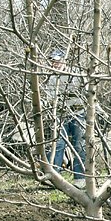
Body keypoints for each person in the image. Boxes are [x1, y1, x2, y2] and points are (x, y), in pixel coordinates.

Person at [44, 49, 86, 189]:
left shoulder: (75, 74)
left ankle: (80, 178)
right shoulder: (52, 79)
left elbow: (86, 93)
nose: (55, 64)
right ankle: (55, 177)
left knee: (79, 145)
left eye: (57, 61)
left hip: (79, 114)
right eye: (53, 61)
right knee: (58, 144)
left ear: (64, 60)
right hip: (61, 115)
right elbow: (50, 99)